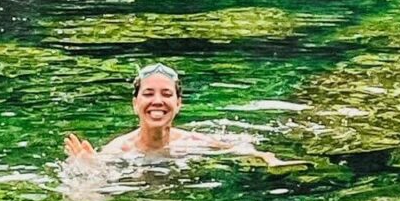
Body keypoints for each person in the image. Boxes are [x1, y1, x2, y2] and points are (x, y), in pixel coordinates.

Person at [64, 63, 292, 166]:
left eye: (166, 94)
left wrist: (269, 159)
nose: (157, 101)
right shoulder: (119, 150)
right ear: (135, 103)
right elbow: (93, 195)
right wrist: (89, 168)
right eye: (148, 94)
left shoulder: (191, 141)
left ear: (178, 103)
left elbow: (240, 149)